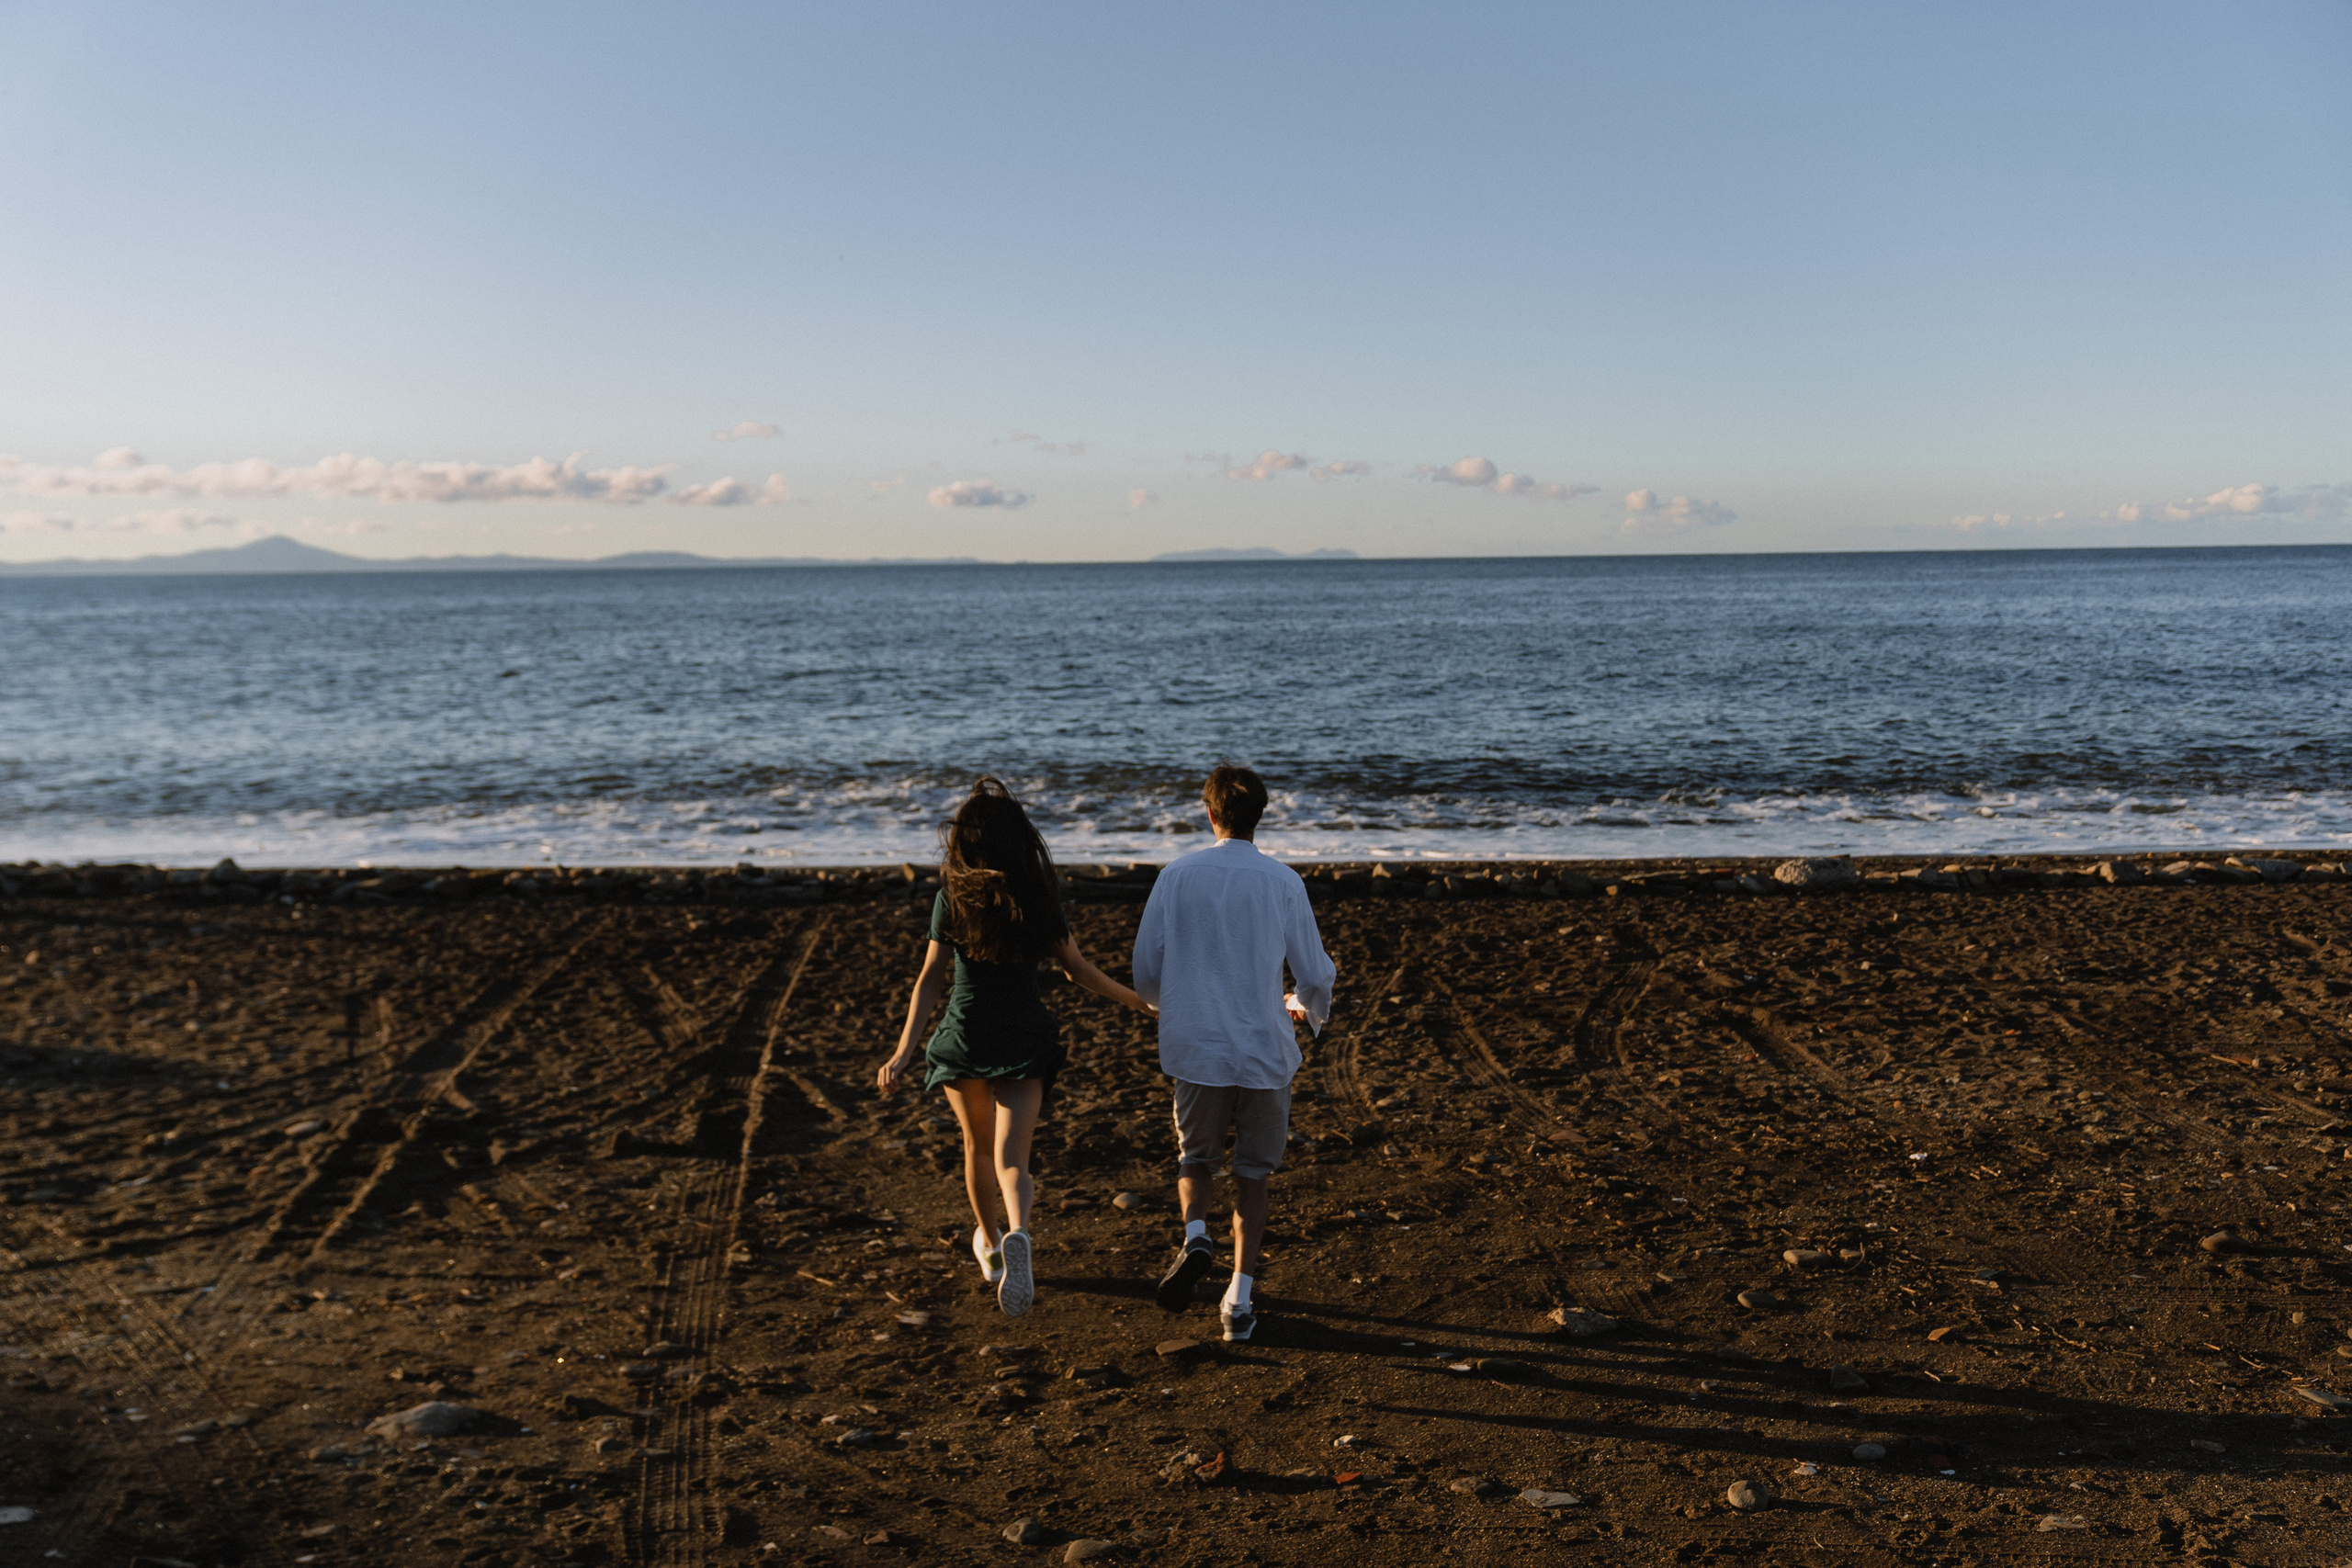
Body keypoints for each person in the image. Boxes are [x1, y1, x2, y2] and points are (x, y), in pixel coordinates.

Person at [876, 777, 1153, 1318]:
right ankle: (1019, 1229)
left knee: (976, 1149)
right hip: (1025, 1038)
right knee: (1012, 1159)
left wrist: (904, 1048)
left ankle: (989, 1239)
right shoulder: (1037, 899)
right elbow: (1079, 972)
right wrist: (1139, 1002)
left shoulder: (950, 898)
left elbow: (930, 978)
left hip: (964, 1037)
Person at [1133, 765, 1336, 1341]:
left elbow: (1147, 969)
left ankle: (1197, 1232)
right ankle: (1238, 1301)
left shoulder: (1176, 876)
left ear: (1209, 811)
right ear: (1261, 814)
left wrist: (1167, 1004)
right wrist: (1303, 1009)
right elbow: (1315, 973)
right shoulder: (1282, 881)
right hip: (1264, 1047)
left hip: (1198, 1043)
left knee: (1196, 1158)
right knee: (1254, 1174)